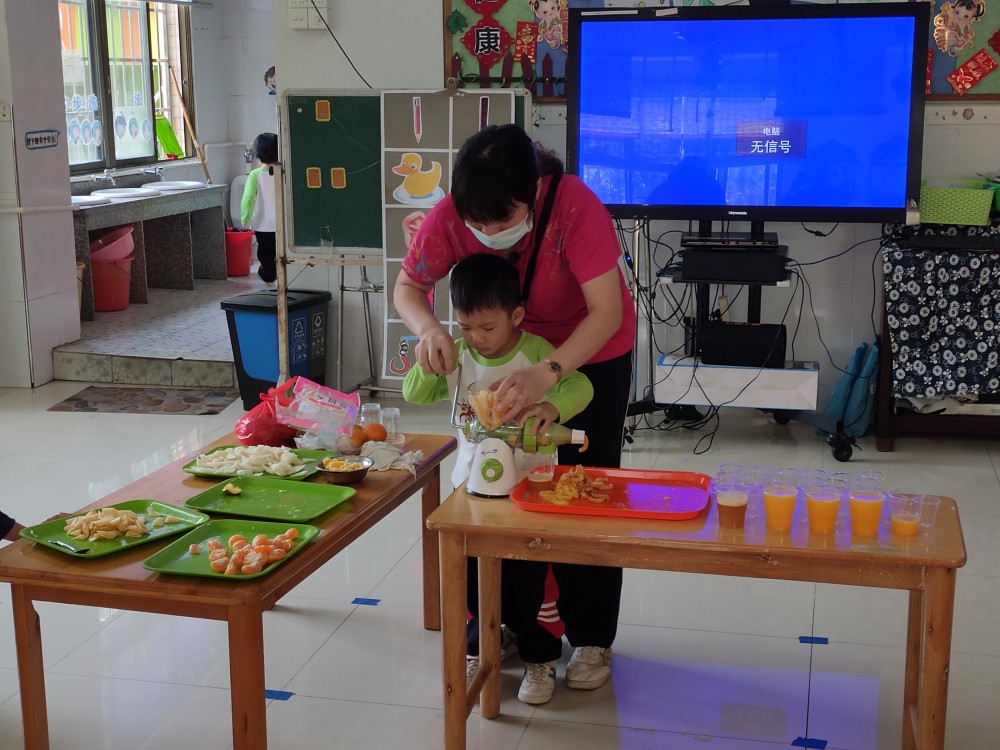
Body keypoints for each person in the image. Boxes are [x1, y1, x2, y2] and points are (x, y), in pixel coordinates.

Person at [393, 123, 636, 705]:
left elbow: (605, 312)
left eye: (501, 220)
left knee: (584, 490)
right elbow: (407, 287)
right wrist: (429, 331)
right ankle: (503, 618)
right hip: (501, 351)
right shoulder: (455, 215)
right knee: (495, 492)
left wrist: (548, 373)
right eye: (476, 222)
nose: (488, 231)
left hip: (587, 354)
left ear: (533, 193)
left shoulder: (574, 207)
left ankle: (591, 636)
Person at [241, 132, 278, 286]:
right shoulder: (284, 172)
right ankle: (280, 272)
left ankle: (269, 273)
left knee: (265, 252)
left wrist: (245, 219)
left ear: (257, 155)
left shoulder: (255, 175)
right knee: (280, 251)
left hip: (263, 225)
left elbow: (248, 199)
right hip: (283, 224)